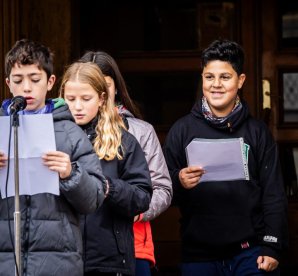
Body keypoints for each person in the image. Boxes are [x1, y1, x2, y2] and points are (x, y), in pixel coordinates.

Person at [163, 39, 288, 275]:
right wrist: (179, 180)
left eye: (225, 77)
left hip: (251, 251)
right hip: (198, 253)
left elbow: (273, 192)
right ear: (202, 78)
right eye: (209, 77)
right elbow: (161, 189)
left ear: (240, 81)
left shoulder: (257, 132)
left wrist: (272, 246)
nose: (216, 85)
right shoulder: (182, 130)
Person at [0, 39, 106, 276]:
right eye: (18, 80)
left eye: (35, 80)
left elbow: (94, 200)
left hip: (57, 261)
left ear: (50, 82)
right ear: (8, 83)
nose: (26, 88)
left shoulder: (70, 132)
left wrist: (71, 173)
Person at [78, 51, 173, 275]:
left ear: (116, 87)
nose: (98, 91)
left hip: (133, 243)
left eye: (105, 84)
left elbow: (161, 188)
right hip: (77, 245)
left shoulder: (138, 131)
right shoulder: (65, 132)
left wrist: (133, 211)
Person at [60, 61, 153, 276]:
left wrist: (108, 187)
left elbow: (142, 197)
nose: (78, 106)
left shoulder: (124, 142)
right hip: (62, 257)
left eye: (86, 99)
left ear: (102, 99)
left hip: (109, 261)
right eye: (71, 99)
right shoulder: (52, 139)